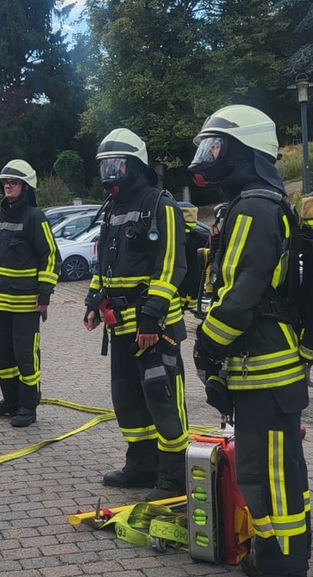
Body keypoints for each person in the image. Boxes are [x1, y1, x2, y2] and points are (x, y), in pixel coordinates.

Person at [188, 105, 310, 577]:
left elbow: (241, 293)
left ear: (244, 151)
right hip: (257, 367)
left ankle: (284, 563)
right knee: (266, 473)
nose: (208, 157)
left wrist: (207, 346)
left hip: (268, 368)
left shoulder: (255, 208)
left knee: (272, 478)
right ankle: (273, 554)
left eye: (215, 147)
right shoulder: (251, 203)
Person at [83, 128, 190, 502]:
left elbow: (173, 266)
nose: (109, 173)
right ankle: (141, 465)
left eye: (116, 165)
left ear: (135, 165)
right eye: (104, 166)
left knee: (161, 398)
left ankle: (175, 476)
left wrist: (150, 318)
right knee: (127, 399)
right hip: (121, 328)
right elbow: (104, 262)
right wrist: (94, 301)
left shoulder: (160, 204)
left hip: (153, 329)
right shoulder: (113, 208)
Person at [0, 159, 61, 427]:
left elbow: (50, 256)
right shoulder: (2, 215)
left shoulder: (35, 217)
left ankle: (28, 406)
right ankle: (11, 401)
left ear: (26, 187)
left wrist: (45, 293)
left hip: (27, 302)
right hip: (3, 300)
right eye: (5, 182)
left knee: (26, 356)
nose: (8, 186)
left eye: (13, 182)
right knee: (0, 352)